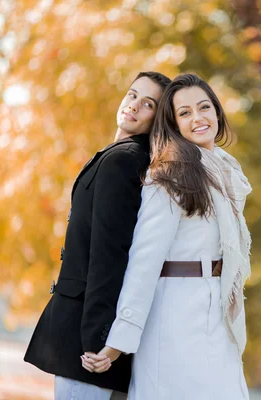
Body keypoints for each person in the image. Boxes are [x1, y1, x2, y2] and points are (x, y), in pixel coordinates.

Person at [81, 73, 252, 399]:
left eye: (204, 107)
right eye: (184, 113)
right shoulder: (169, 173)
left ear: (217, 111)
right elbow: (145, 259)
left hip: (218, 316)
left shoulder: (226, 172)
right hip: (175, 318)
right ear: (173, 124)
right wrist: (119, 341)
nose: (198, 118)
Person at [24, 71, 172, 399]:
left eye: (147, 104)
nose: (134, 105)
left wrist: (100, 342)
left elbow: (111, 254)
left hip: (89, 344)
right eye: (133, 94)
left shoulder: (124, 161)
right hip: (82, 331)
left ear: (158, 119)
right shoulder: (117, 155)